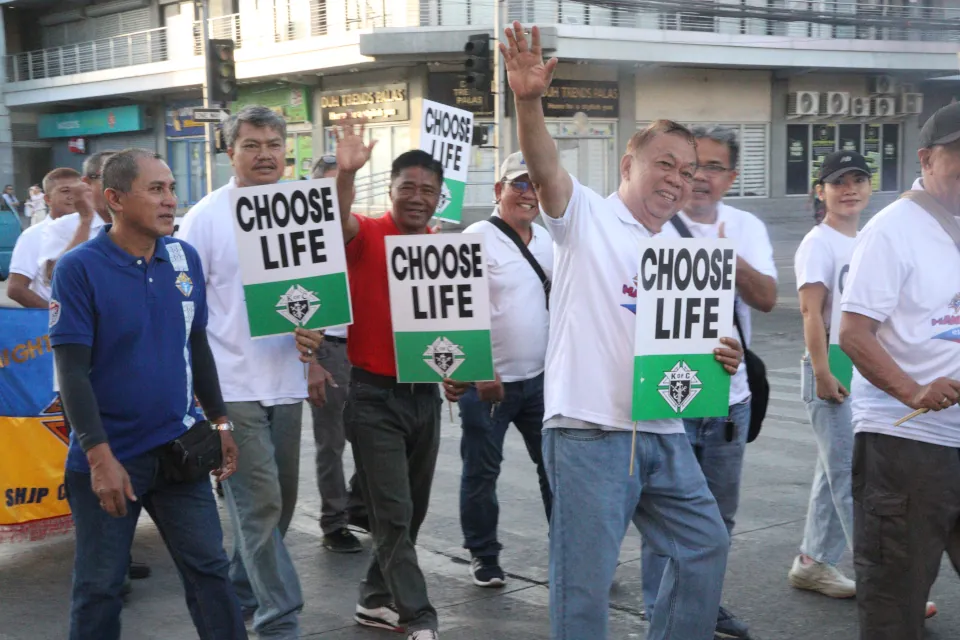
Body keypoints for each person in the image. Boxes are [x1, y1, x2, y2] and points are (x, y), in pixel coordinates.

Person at [501, 22, 743, 640]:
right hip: (589, 432)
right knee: (583, 590)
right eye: (665, 163)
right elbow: (544, 164)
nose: (678, 179)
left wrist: (724, 354)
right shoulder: (585, 215)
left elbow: (697, 345)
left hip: (663, 428)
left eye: (689, 172)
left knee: (705, 545)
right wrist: (528, 101)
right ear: (627, 163)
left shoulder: (685, 250)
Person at [49, 148, 246, 640]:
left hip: (180, 451)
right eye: (156, 190)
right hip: (112, 457)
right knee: (99, 587)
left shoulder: (184, 257)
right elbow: (71, 371)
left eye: (172, 189)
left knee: (211, 573)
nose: (170, 201)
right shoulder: (79, 268)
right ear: (114, 199)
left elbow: (196, 343)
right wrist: (99, 458)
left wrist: (220, 423)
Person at [176, 105, 324, 640]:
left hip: (285, 383)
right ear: (229, 151)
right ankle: (280, 618)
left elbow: (317, 294)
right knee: (258, 507)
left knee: (276, 507)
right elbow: (185, 311)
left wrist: (317, 333)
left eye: (273, 144)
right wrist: (197, 394)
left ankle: (237, 592)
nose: (265, 154)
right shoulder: (204, 219)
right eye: (252, 145)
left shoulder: (304, 208)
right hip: (229, 386)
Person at [645, 124, 778, 639]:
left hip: (729, 398)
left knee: (716, 522)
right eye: (691, 164)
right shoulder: (650, 222)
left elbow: (766, 297)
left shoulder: (745, 227)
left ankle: (704, 607)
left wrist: (726, 259)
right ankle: (659, 613)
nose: (700, 177)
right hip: (666, 397)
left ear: (732, 177)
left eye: (714, 167)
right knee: (664, 521)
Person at [838, 102, 960, 640]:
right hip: (907, 448)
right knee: (896, 602)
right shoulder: (892, 230)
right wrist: (913, 391)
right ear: (927, 158)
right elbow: (853, 333)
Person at [334, 121, 445, 640]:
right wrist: (346, 172)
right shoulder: (367, 231)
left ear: (440, 196)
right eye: (408, 189)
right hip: (372, 397)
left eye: (428, 190)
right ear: (391, 191)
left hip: (425, 396)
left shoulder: (443, 250)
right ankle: (419, 616)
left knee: (411, 512)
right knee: (395, 515)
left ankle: (375, 599)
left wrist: (460, 374)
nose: (417, 198)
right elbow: (335, 222)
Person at [441, 152, 553, 588]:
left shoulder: (546, 240)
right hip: (489, 386)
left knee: (555, 469)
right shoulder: (476, 237)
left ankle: (569, 549)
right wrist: (476, 368)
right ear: (498, 191)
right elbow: (454, 311)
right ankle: (484, 555)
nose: (528, 194)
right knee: (482, 472)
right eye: (518, 184)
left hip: (541, 382)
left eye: (535, 185)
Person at [788, 151, 870, 599]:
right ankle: (886, 585)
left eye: (858, 179)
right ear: (820, 192)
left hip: (862, 364)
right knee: (852, 477)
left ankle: (812, 562)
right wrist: (821, 371)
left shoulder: (866, 240)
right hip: (832, 364)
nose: (849, 189)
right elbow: (810, 311)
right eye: (839, 182)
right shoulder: (818, 242)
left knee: (831, 471)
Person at [308, 154, 368, 553]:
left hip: (364, 349)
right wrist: (311, 361)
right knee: (331, 442)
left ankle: (359, 505)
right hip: (327, 348)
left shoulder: (357, 230)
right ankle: (334, 521)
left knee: (371, 437)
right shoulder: (303, 238)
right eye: (329, 186)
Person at [37, 151, 116, 288]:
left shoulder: (143, 226)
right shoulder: (63, 227)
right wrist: (85, 222)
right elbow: (52, 275)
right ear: (87, 183)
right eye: (109, 178)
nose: (119, 186)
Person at [7, 169, 79, 308]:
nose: (73, 197)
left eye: (78, 192)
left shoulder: (96, 230)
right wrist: (56, 316)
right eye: (65, 191)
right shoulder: (34, 235)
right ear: (47, 199)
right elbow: (16, 288)